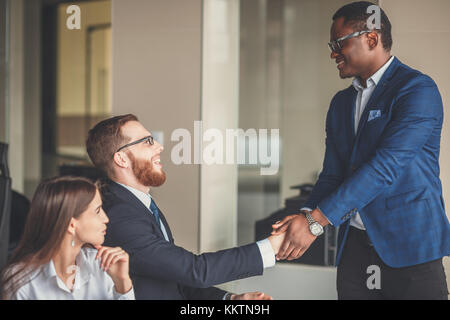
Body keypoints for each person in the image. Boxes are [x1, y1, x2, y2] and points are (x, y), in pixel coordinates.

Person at [272, 1, 450, 300]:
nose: (332, 52)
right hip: (355, 251)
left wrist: (315, 222)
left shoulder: (417, 90)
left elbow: (385, 167)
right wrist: (305, 216)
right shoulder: (341, 103)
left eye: (338, 43)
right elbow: (332, 174)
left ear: (371, 38)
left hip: (412, 249)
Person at [86, 114, 286, 300]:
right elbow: (194, 270)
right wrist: (273, 246)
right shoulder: (120, 215)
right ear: (121, 159)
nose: (160, 146)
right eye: (147, 141)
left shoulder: (137, 203)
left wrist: (230, 298)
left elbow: (172, 276)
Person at [0, 176, 135, 300]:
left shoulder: (102, 266)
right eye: (98, 211)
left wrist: (123, 283)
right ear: (71, 224)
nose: (106, 219)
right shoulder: (21, 281)